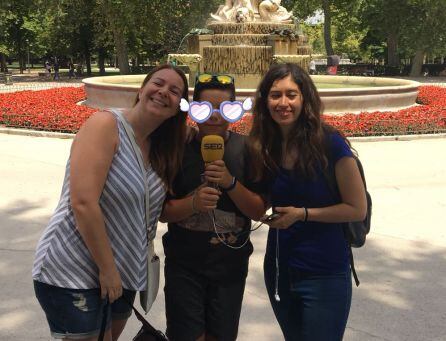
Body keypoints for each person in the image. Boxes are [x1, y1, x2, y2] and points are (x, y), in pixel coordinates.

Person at [32, 64, 189, 341]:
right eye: (158, 83)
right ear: (141, 90)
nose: (164, 92)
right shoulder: (105, 125)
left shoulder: (160, 147)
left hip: (124, 272)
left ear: (179, 106)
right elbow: (82, 202)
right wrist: (107, 269)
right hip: (73, 270)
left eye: (174, 91)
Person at [247, 63, 367, 341]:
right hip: (279, 269)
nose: (283, 103)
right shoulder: (266, 145)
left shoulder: (330, 143)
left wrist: (302, 214)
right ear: (265, 100)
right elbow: (260, 199)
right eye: (275, 95)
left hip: (324, 273)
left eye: (292, 94)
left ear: (305, 98)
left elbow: (356, 208)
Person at [160, 73, 268, 341]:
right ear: (193, 110)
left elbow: (257, 211)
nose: (214, 116)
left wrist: (230, 182)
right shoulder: (177, 149)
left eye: (224, 108)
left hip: (230, 269)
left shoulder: (249, 150)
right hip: (184, 266)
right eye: (205, 108)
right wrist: (192, 204)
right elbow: (162, 212)